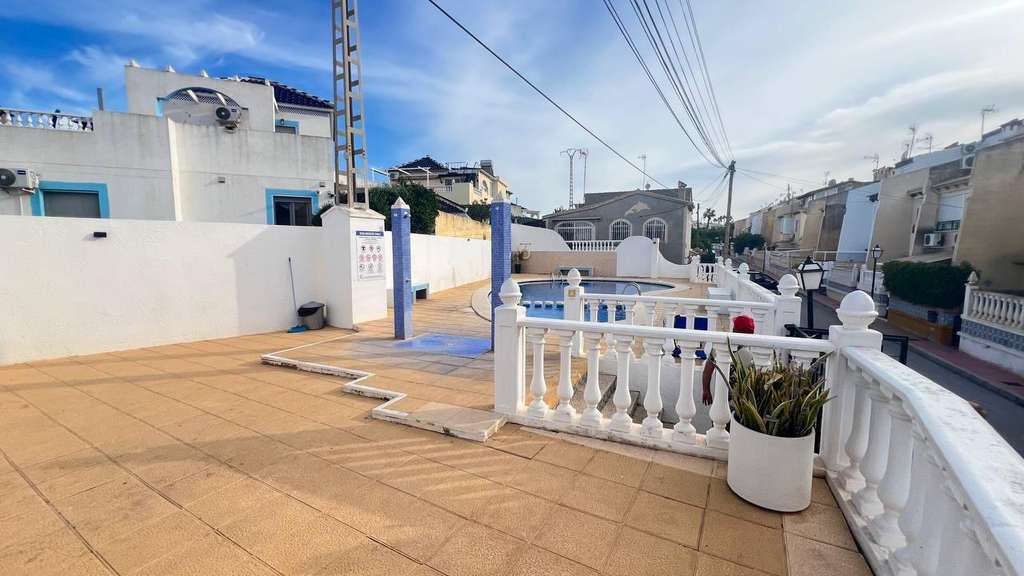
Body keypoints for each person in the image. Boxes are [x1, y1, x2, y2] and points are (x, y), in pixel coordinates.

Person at [701, 314, 756, 405]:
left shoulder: (719, 347)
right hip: (742, 405)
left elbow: (707, 370)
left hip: (726, 401)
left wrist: (706, 390)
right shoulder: (752, 355)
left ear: (735, 330)